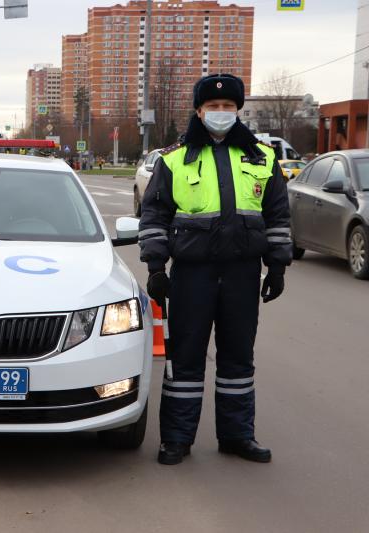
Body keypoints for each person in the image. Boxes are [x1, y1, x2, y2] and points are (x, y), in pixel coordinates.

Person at [138, 73, 292, 465]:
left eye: (228, 107)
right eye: (213, 107)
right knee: (185, 357)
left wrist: (277, 266)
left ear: (237, 110)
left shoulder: (262, 157)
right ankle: (176, 438)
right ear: (199, 110)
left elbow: (277, 216)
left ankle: (238, 435)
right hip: (193, 274)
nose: (220, 113)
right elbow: (154, 215)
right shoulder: (174, 158)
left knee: (239, 357)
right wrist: (156, 267)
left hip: (242, 271)